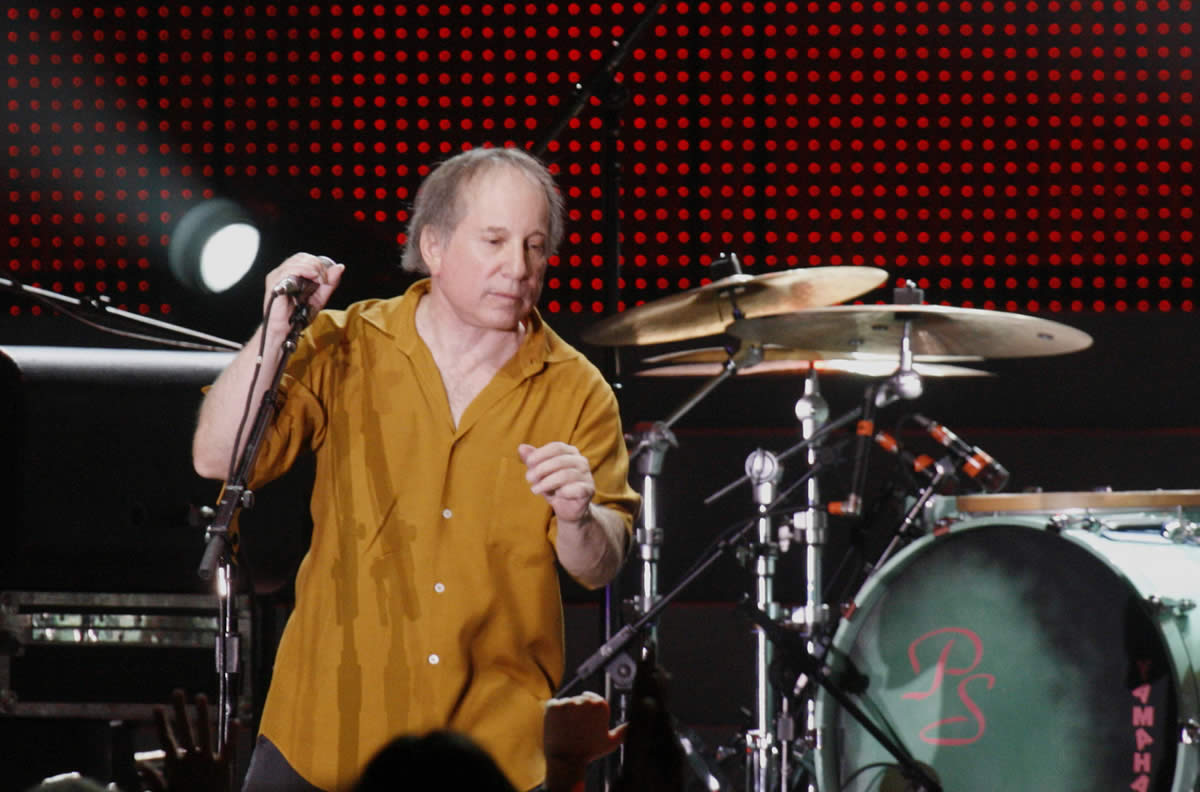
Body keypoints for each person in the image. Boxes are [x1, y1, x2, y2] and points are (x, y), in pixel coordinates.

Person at [191, 145, 640, 792]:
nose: (518, 267)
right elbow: (218, 457)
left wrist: (579, 518)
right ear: (434, 246)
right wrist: (274, 330)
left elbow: (599, 562)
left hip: (493, 750)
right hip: (326, 734)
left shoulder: (577, 388)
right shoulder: (347, 344)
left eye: (535, 246)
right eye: (494, 241)